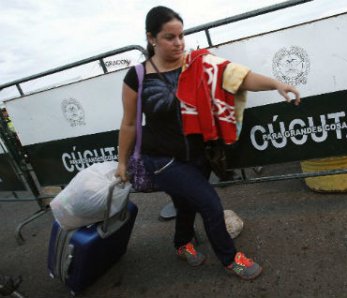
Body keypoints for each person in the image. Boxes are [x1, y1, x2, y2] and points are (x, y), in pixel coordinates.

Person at [115, 6, 301, 280]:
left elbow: (239, 77)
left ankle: (181, 244)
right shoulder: (137, 77)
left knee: (186, 205)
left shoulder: (200, 63)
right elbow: (129, 123)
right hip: (162, 159)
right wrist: (122, 162)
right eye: (170, 37)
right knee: (210, 205)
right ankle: (230, 258)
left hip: (200, 155)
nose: (179, 43)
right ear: (151, 38)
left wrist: (275, 84)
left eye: (181, 35)